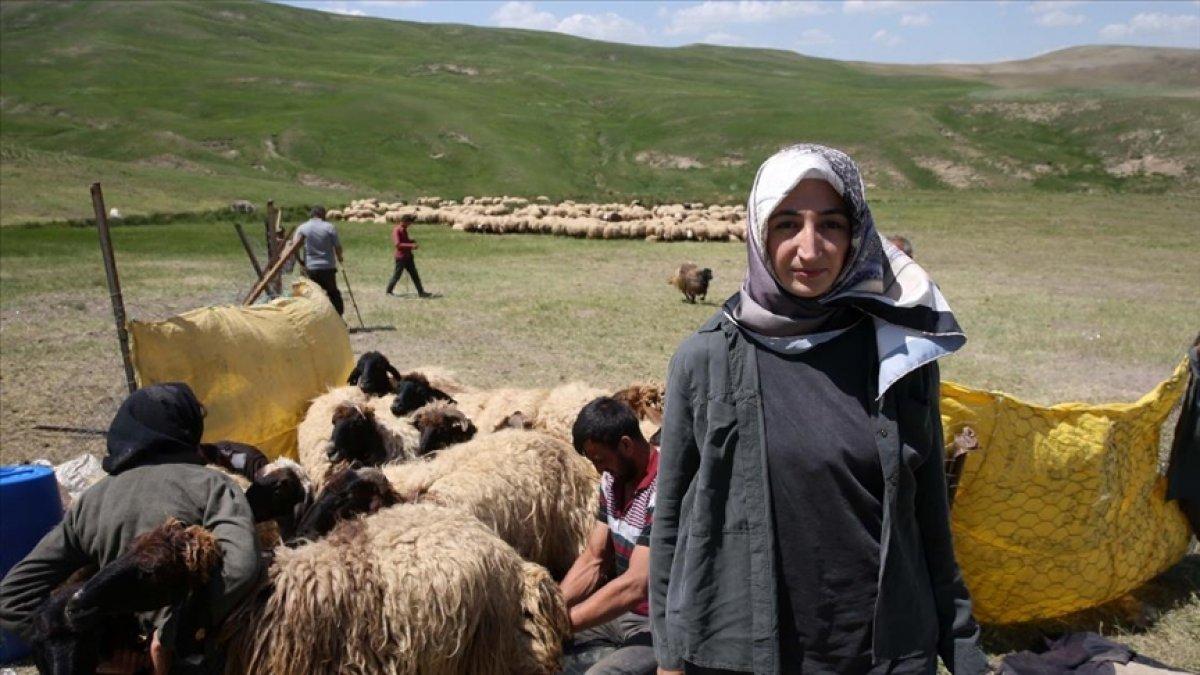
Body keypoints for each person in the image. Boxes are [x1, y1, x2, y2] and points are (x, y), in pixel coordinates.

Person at [650, 144, 987, 675]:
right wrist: (668, 657)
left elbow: (928, 521)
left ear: (857, 234)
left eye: (830, 224)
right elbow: (671, 517)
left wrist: (963, 650)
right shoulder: (705, 359)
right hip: (743, 650)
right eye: (787, 224)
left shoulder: (899, 354)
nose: (811, 249)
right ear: (759, 233)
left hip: (881, 650)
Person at [0, 383, 261, 674]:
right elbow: (241, 566)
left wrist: (97, 657)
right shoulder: (212, 485)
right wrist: (170, 634)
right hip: (197, 657)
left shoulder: (92, 501)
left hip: (123, 660)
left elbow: (12, 596)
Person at [561, 397, 659, 675]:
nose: (598, 469)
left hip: (656, 621)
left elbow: (636, 584)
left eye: (600, 459)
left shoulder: (665, 487)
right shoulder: (612, 480)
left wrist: (564, 622)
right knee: (533, 647)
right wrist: (550, 610)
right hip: (620, 611)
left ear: (626, 445)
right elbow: (594, 558)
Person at [292, 205, 344, 315]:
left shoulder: (303, 227)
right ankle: (338, 318)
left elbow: (294, 247)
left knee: (311, 295)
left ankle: (313, 317)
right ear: (323, 215)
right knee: (333, 293)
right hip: (327, 267)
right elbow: (337, 247)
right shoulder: (329, 227)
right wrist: (340, 258)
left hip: (310, 268)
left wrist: (300, 261)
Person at [385, 213, 432, 298]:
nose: (410, 224)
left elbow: (405, 241)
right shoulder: (397, 230)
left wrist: (410, 241)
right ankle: (389, 291)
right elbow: (398, 244)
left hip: (408, 257)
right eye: (409, 222)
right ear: (404, 221)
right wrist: (411, 246)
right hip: (401, 257)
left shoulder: (404, 229)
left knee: (415, 275)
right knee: (397, 275)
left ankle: (421, 292)